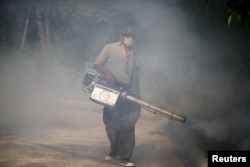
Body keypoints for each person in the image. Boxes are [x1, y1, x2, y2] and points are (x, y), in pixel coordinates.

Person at [94, 27, 141, 167]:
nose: (130, 38)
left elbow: (136, 78)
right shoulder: (109, 48)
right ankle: (114, 151)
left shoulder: (136, 55)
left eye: (132, 35)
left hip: (128, 94)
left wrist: (137, 97)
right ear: (121, 36)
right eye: (127, 35)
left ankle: (125, 158)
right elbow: (97, 65)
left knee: (128, 123)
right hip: (110, 90)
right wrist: (107, 73)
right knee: (110, 123)